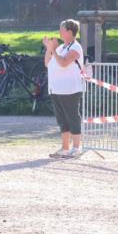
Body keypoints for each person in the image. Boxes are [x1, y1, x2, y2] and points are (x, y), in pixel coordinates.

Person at [43, 19, 85, 159]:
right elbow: (47, 63)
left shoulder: (75, 47)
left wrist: (53, 50)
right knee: (62, 119)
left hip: (70, 89)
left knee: (72, 117)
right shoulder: (61, 48)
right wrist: (49, 48)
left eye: (62, 30)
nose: (59, 32)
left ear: (69, 32)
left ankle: (76, 147)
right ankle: (65, 147)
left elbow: (63, 63)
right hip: (56, 89)